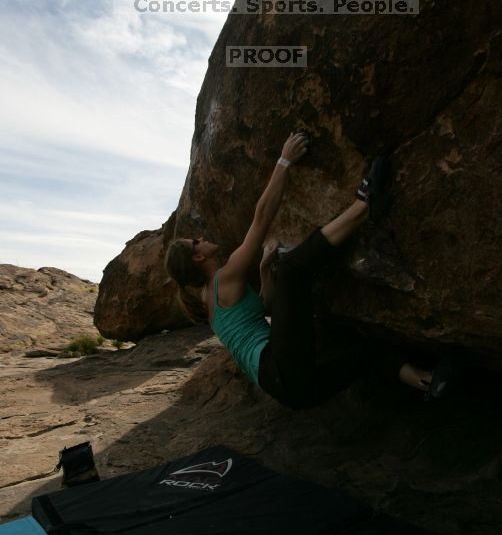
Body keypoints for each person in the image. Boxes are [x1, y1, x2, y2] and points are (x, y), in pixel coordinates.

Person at [165, 132, 460, 409]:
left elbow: (268, 306)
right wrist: (284, 161)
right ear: (197, 259)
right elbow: (261, 217)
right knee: (294, 269)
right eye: (196, 242)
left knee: (368, 351)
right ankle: (365, 205)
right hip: (281, 369)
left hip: (292, 392)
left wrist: (265, 269)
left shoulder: (207, 301)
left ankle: (430, 383)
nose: (202, 239)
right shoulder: (223, 278)